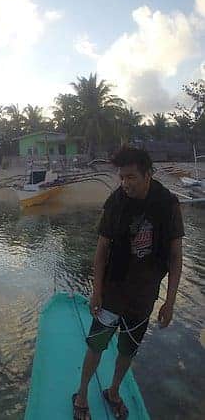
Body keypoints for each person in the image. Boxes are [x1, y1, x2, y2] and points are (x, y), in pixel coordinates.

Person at [72, 147, 183, 419]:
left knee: (127, 350)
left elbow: (176, 255)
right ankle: (82, 394)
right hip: (113, 292)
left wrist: (170, 302)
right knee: (96, 345)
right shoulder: (116, 203)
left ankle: (113, 391)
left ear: (148, 174)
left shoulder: (168, 205)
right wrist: (96, 292)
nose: (125, 183)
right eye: (121, 177)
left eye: (131, 177)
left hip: (144, 298)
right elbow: (100, 252)